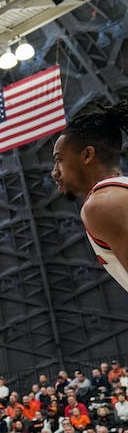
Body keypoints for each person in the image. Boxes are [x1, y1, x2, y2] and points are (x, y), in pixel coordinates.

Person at [50, 100, 128, 292]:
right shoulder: (120, 190)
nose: (54, 172)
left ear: (87, 155)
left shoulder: (101, 204)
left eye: (59, 160)